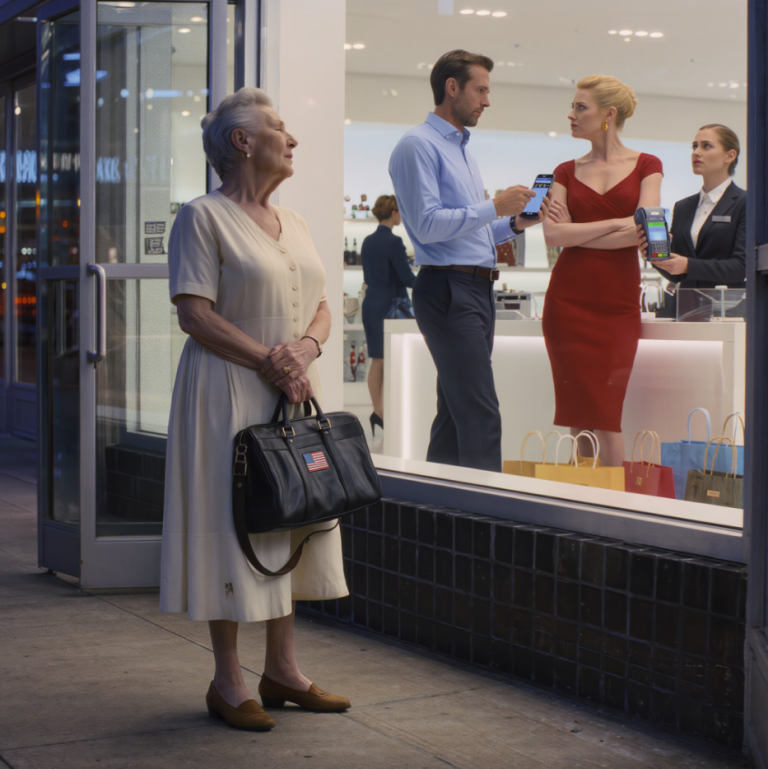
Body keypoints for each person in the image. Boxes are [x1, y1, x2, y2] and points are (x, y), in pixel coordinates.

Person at [160, 87, 350, 731]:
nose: (291, 140)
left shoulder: (292, 221)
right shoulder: (201, 216)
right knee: (233, 520)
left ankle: (284, 672)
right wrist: (272, 358)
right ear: (243, 142)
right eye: (279, 128)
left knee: (292, 515)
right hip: (229, 391)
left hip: (292, 389)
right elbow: (195, 314)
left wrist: (305, 347)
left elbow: (325, 303)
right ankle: (227, 679)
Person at [389, 49, 548, 472]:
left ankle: (436, 516)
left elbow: (470, 232)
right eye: (481, 90)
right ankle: (489, 524)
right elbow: (426, 226)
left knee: (455, 414)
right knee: (479, 414)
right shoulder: (416, 146)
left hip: (474, 288)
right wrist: (493, 207)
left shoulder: (463, 152)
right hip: (447, 290)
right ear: (452, 87)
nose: (487, 101)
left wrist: (515, 222)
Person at [542, 75, 663, 468]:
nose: (571, 114)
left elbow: (642, 231)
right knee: (578, 417)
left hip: (616, 304)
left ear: (608, 115)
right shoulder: (564, 170)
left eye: (581, 107)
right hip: (568, 301)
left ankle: (615, 516)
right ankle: (583, 511)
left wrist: (576, 233)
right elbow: (552, 234)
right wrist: (617, 224)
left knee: (607, 416)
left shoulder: (648, 165)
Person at [652, 124, 746, 293]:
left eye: (706, 146)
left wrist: (688, 265)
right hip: (688, 307)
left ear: (730, 156)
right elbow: (677, 274)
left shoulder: (745, 203)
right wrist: (654, 255)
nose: (696, 152)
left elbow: (741, 267)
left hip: (729, 308)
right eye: (694, 146)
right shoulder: (682, 207)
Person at [361, 194, 415, 435]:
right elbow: (408, 278)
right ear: (393, 213)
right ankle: (383, 412)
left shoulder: (367, 241)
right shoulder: (394, 242)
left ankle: (378, 411)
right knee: (390, 359)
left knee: (377, 359)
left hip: (371, 301)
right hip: (392, 305)